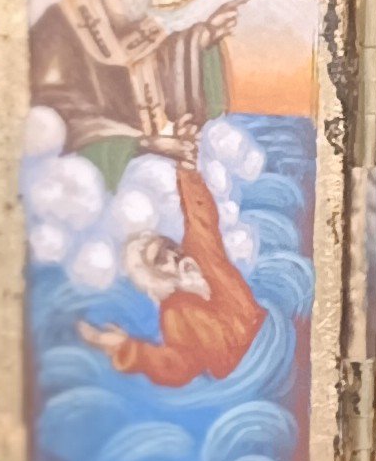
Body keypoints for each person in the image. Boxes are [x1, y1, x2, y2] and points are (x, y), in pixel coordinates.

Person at [30, 0, 248, 187]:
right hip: (75, 184)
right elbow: (52, 117)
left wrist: (205, 36)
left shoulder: (151, 35)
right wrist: (142, 145)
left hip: (146, 178)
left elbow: (169, 80)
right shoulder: (63, 24)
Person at [77, 117, 266, 387]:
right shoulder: (174, 312)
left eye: (169, 246)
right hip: (245, 374)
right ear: (154, 276)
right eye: (160, 259)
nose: (173, 255)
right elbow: (176, 365)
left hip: (266, 338)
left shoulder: (201, 256)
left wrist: (186, 166)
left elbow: (199, 216)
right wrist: (128, 350)